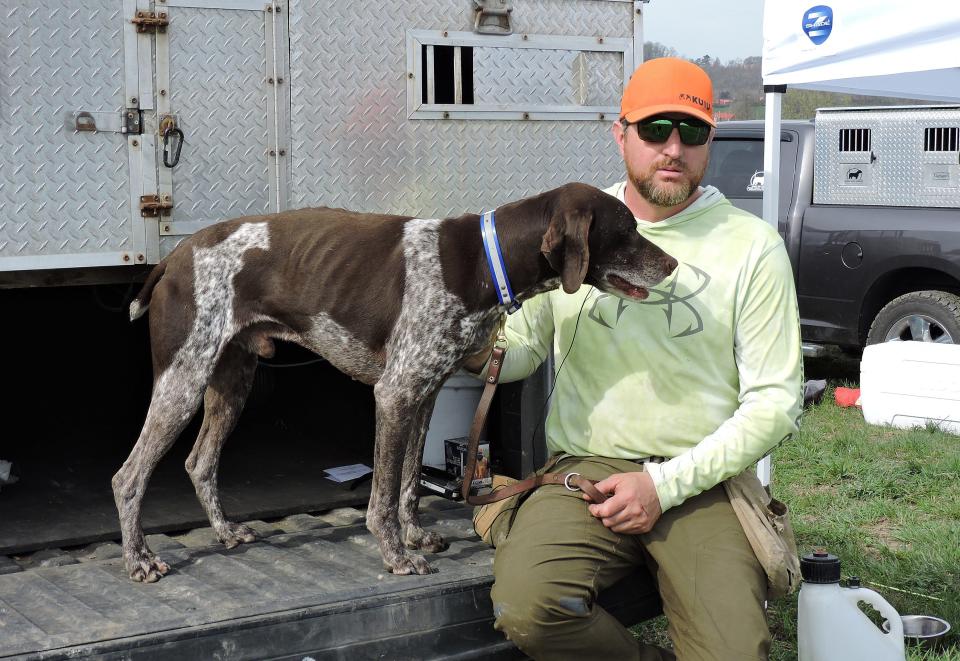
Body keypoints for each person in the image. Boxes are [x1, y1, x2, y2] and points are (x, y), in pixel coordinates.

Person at [466, 58, 803, 660]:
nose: (673, 149)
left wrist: (663, 485)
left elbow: (775, 402)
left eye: (691, 132)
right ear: (620, 133)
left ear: (709, 141)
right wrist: (464, 342)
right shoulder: (577, 226)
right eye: (655, 130)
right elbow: (519, 352)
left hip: (702, 479)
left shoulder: (751, 245)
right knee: (528, 609)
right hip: (583, 474)